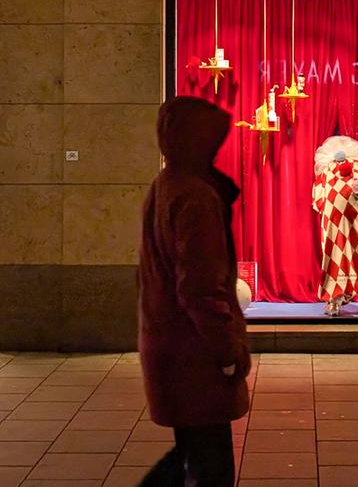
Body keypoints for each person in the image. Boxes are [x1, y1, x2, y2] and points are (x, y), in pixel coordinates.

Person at [138, 97, 251, 487]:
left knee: (192, 454)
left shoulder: (165, 185)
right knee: (211, 465)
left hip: (171, 348)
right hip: (195, 357)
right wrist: (227, 350)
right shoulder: (195, 197)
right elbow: (200, 289)